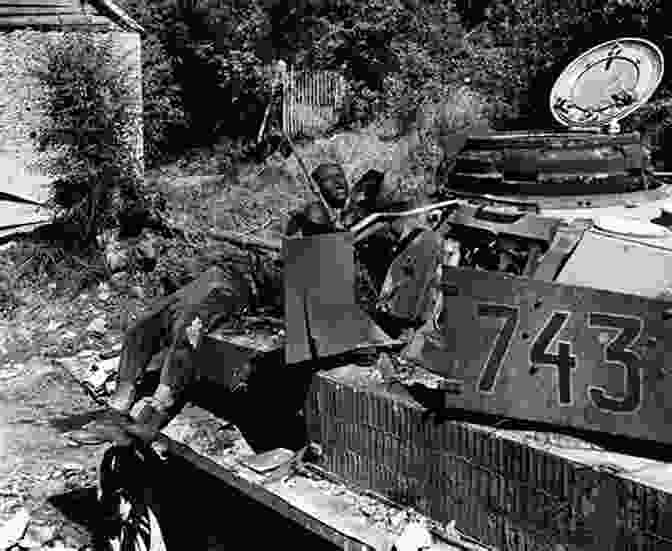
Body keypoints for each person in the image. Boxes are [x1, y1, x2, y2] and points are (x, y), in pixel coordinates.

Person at [69, 163, 351, 446]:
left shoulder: (332, 226)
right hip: (227, 274)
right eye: (330, 179)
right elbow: (311, 226)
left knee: (187, 333)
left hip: (238, 286)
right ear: (316, 185)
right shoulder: (313, 214)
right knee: (141, 328)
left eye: (341, 177)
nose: (339, 182)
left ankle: (152, 417)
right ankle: (114, 415)